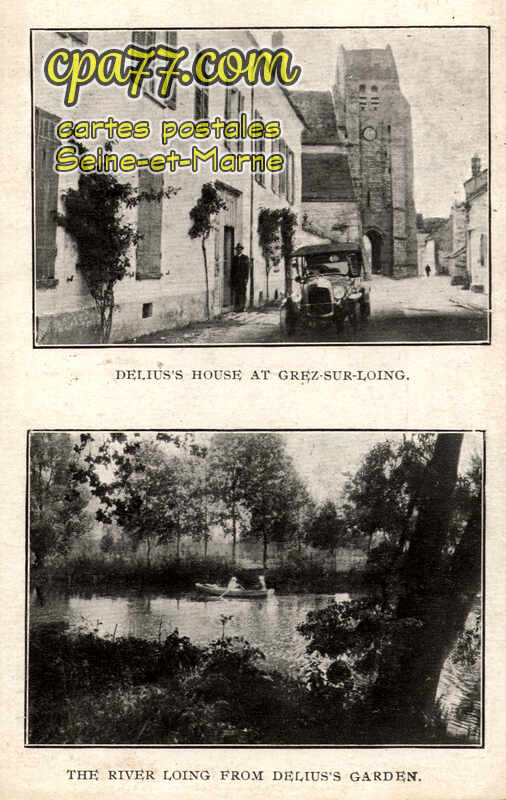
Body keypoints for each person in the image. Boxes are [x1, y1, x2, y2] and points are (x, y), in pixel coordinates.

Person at [231, 244, 250, 311]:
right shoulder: (234, 258)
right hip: (236, 279)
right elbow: (232, 270)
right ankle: (237, 308)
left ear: (242, 250)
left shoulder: (245, 258)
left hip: (242, 279)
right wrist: (232, 279)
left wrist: (246, 279)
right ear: (236, 250)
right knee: (236, 293)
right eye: (238, 249)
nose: (239, 250)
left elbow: (247, 269)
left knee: (242, 293)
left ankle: (242, 307)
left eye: (240, 249)